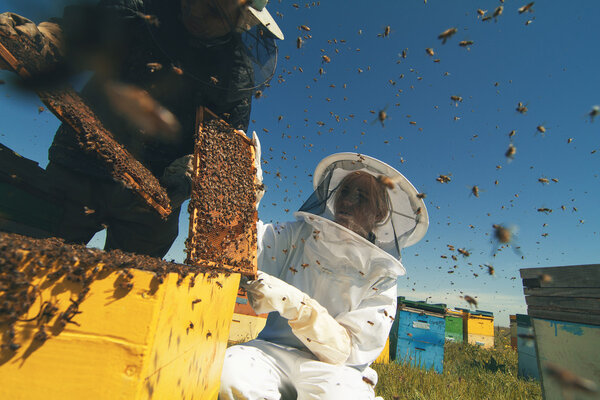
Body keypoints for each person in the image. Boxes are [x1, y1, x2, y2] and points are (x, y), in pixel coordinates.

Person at [0, 0, 283, 257]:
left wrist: (190, 171)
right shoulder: (142, 7)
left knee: (129, 292)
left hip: (154, 198)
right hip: (80, 165)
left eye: (214, 11)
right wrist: (39, 41)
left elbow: (220, 149)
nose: (196, 11)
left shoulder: (235, 76)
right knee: (27, 258)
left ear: (241, 23)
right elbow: (79, 34)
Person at [219, 152, 429, 399]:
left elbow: (344, 351)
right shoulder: (299, 234)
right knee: (227, 375)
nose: (347, 202)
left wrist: (297, 306)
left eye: (360, 197)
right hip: (272, 351)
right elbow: (248, 248)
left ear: (380, 215)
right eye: (344, 192)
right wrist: (241, 199)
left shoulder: (382, 276)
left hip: (337, 371)